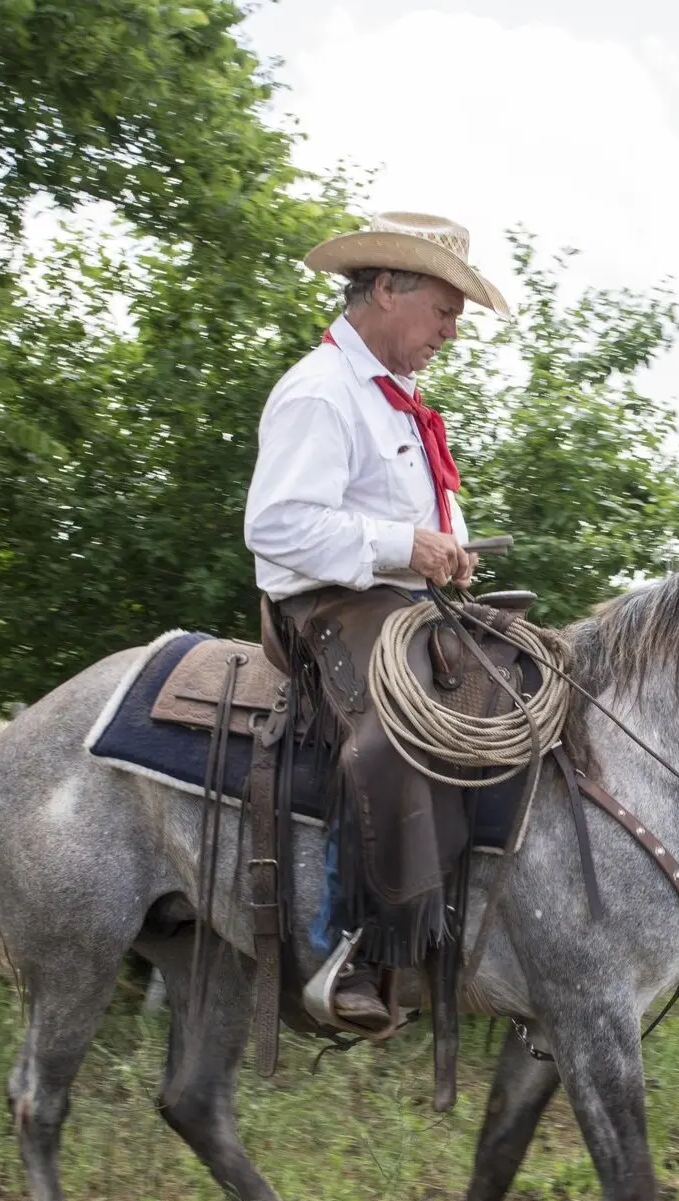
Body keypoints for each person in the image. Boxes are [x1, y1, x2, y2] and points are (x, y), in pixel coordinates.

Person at [244, 211, 511, 1033]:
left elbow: (423, 523)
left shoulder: (399, 403)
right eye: (444, 309)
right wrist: (407, 546)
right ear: (387, 288)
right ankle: (348, 952)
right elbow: (277, 524)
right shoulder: (321, 393)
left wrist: (448, 553)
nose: (452, 332)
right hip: (320, 606)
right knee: (398, 730)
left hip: (399, 602)